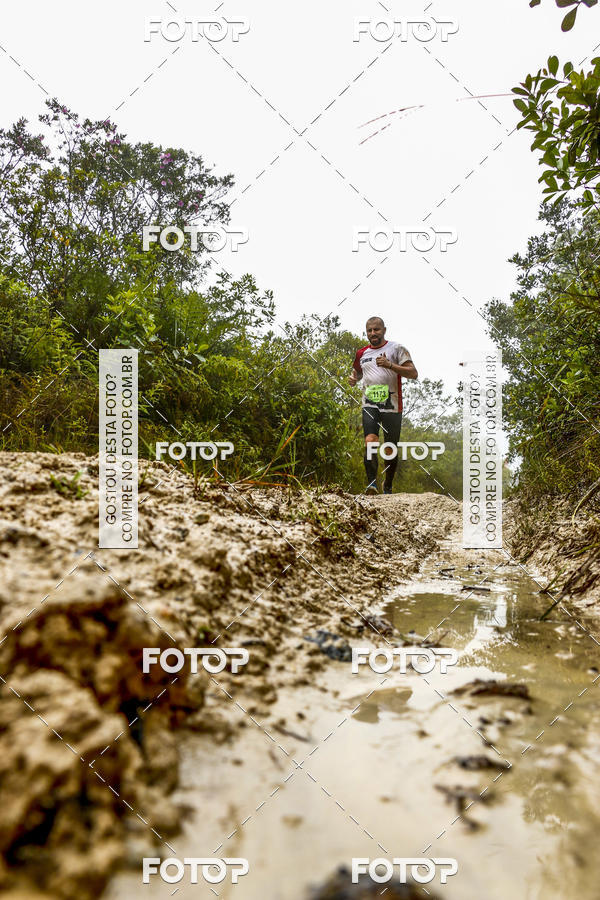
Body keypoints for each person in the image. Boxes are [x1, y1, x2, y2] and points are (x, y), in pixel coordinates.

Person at [349, 316, 418, 494]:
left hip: (392, 405)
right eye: (370, 330)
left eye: (376, 330)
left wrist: (390, 365)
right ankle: (371, 484)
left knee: (390, 448)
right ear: (366, 332)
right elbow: (357, 371)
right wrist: (353, 378)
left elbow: (413, 373)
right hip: (370, 404)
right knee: (370, 440)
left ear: (384, 330)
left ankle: (387, 484)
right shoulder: (361, 353)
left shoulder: (396, 349)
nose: (373, 333)